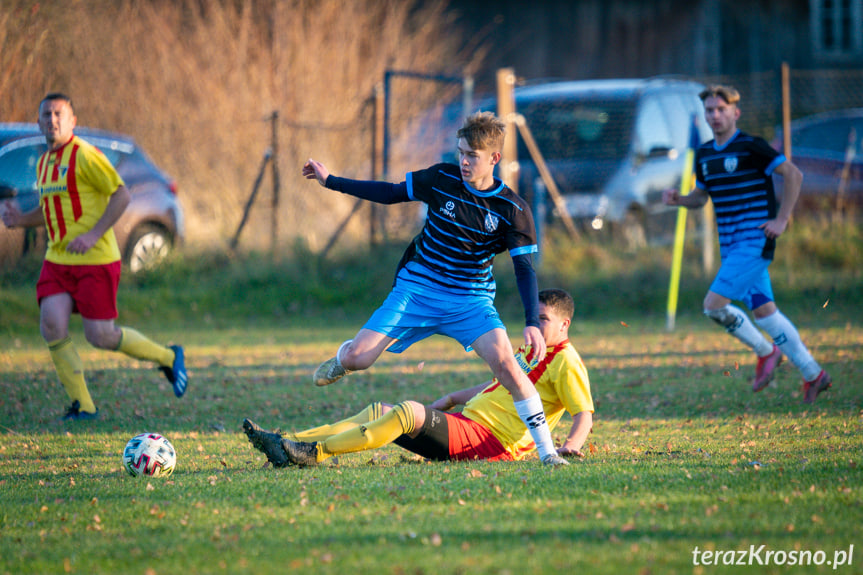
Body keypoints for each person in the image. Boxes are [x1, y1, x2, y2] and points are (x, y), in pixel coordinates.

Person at [301, 112, 567, 466]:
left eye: (472, 155)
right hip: (418, 289)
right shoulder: (441, 177)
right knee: (358, 359)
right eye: (460, 152)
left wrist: (532, 320)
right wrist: (331, 181)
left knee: (509, 367)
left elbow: (524, 269)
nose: (464, 161)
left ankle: (548, 454)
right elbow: (391, 193)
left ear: (494, 159)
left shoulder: (512, 210)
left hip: (470, 301)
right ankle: (340, 359)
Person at [243, 288, 593, 466]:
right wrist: (456, 398)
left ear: (565, 324)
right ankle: (287, 442)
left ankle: (314, 452)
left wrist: (571, 446)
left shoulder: (566, 361)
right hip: (471, 426)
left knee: (408, 412)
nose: (534, 324)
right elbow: (502, 386)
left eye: (543, 319)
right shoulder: (531, 351)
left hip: (493, 444)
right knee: (379, 411)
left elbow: (583, 413)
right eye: (533, 316)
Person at [0, 93, 188, 420]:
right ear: (40, 121)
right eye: (47, 114)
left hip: (95, 261)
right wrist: (20, 219)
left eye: (59, 114)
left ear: (72, 121)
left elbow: (122, 195)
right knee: (52, 324)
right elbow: (50, 211)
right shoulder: (44, 163)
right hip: (58, 261)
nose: (52, 120)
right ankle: (84, 406)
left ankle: (169, 357)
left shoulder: (86, 156)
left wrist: (91, 235)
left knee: (100, 336)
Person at [662, 85, 831, 404]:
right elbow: (702, 197)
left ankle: (767, 352)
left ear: (735, 113)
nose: (714, 115)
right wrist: (680, 200)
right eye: (709, 110)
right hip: (730, 244)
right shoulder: (705, 154)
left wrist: (782, 220)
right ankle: (814, 374)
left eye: (720, 110)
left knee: (713, 306)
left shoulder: (752, 146)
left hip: (755, 241)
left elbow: (793, 175)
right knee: (766, 315)